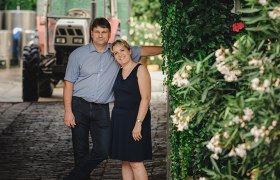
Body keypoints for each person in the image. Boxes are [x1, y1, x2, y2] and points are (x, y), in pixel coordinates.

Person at [63, 17, 162, 180]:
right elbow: (68, 83)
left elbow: (146, 50)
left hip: (102, 109)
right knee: (80, 151)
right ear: (91, 33)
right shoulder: (78, 54)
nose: (100, 35)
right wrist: (68, 111)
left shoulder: (117, 51)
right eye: (97, 32)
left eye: (104, 32)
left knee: (103, 150)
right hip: (79, 105)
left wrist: (170, 48)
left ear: (110, 33)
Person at [110, 39, 152, 180]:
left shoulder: (140, 70)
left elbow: (145, 99)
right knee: (125, 161)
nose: (120, 55)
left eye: (122, 50)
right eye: (116, 53)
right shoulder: (117, 72)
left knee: (135, 162)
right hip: (120, 120)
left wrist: (138, 123)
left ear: (129, 51)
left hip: (136, 119)